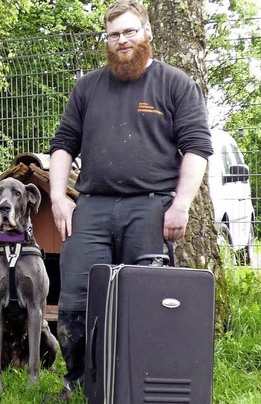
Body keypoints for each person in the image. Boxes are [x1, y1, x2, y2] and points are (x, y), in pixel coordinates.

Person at [48, 0, 213, 400]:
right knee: (75, 302)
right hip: (92, 207)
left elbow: (197, 148)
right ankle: (80, 381)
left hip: (151, 207)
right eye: (114, 34)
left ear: (147, 33)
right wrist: (57, 196)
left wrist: (181, 204)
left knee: (146, 300)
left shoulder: (176, 84)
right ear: (107, 40)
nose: (122, 40)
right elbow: (62, 145)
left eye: (129, 31)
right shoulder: (87, 87)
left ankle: (136, 382)